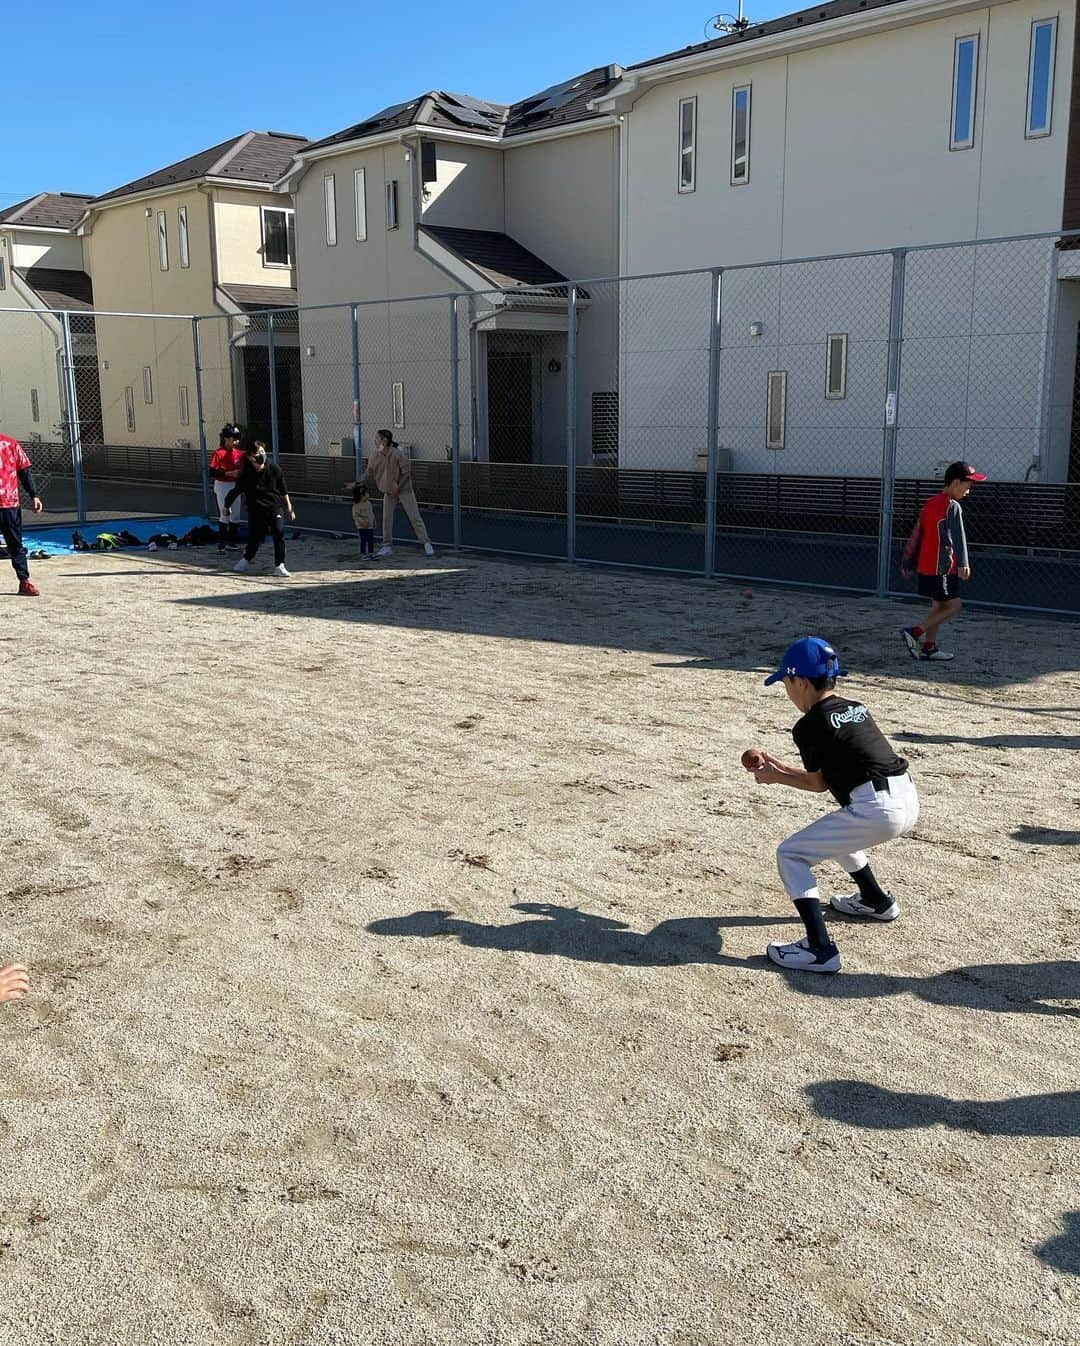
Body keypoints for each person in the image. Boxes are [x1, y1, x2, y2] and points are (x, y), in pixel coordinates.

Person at [747, 635, 918, 974]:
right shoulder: (855, 707)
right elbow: (827, 775)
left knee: (791, 854)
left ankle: (819, 949)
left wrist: (774, 776)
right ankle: (875, 901)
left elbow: (816, 784)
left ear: (800, 680)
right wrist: (778, 767)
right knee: (839, 829)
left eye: (786, 683)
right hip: (906, 798)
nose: (787, 691)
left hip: (876, 808)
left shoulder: (809, 723)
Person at [900, 461, 986, 662]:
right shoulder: (952, 506)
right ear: (956, 483)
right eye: (968, 485)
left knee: (938, 607)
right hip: (944, 568)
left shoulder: (930, 503)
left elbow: (918, 534)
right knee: (954, 606)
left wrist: (909, 561)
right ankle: (915, 632)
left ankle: (929, 647)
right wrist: (964, 562)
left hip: (927, 566)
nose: (968, 491)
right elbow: (959, 536)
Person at [224, 442, 296, 577]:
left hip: (274, 507)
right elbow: (235, 491)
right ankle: (246, 559)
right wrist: (227, 506)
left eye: (262, 451)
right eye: (257, 453)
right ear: (251, 457)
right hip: (255, 509)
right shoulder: (246, 474)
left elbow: (283, 488)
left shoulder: (273, 467)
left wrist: (289, 506)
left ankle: (280, 565)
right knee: (255, 538)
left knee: (279, 531)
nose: (261, 455)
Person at [359, 430, 435, 558]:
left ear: (384, 440)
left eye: (377, 438)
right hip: (389, 492)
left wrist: (398, 488)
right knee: (386, 518)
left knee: (414, 517)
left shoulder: (397, 454)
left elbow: (406, 473)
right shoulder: (375, 455)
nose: (375, 440)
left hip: (405, 490)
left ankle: (426, 543)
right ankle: (387, 546)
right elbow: (369, 472)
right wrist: (357, 481)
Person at [0, 431, 44, 595]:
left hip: (9, 503)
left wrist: (34, 495)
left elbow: (24, 471)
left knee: (15, 544)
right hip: (9, 503)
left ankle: (24, 581)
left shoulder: (10, 444)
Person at [209, 424, 245, 551]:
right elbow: (212, 472)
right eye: (233, 439)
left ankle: (231, 542)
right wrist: (227, 473)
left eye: (237, 439)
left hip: (235, 485)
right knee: (225, 513)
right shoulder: (219, 453)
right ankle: (222, 543)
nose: (236, 441)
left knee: (236, 515)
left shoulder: (239, 454)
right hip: (222, 484)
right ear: (226, 439)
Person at [350, 480, 376, 561]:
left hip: (370, 526)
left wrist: (374, 521)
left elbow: (371, 513)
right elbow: (356, 516)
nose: (368, 495)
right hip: (362, 527)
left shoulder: (369, 503)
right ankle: (363, 554)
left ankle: (371, 553)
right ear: (361, 496)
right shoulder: (356, 506)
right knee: (363, 541)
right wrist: (363, 523)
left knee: (371, 540)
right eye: (365, 493)